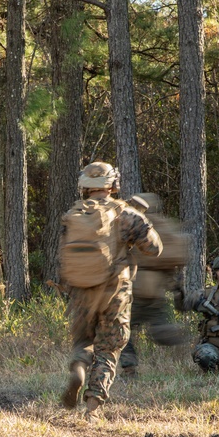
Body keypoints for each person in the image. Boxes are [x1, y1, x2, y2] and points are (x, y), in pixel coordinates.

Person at [59, 162, 162, 420]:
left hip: (82, 290)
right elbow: (154, 249)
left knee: (84, 341)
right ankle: (92, 408)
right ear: (113, 184)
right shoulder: (125, 213)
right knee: (108, 349)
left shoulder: (73, 214)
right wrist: (142, 220)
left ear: (84, 186)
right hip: (114, 293)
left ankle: (79, 368)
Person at [119, 193, 191, 377]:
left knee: (122, 329)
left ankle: (129, 367)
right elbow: (179, 256)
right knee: (159, 329)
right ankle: (184, 337)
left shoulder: (133, 225)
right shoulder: (167, 227)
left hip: (135, 291)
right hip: (156, 292)